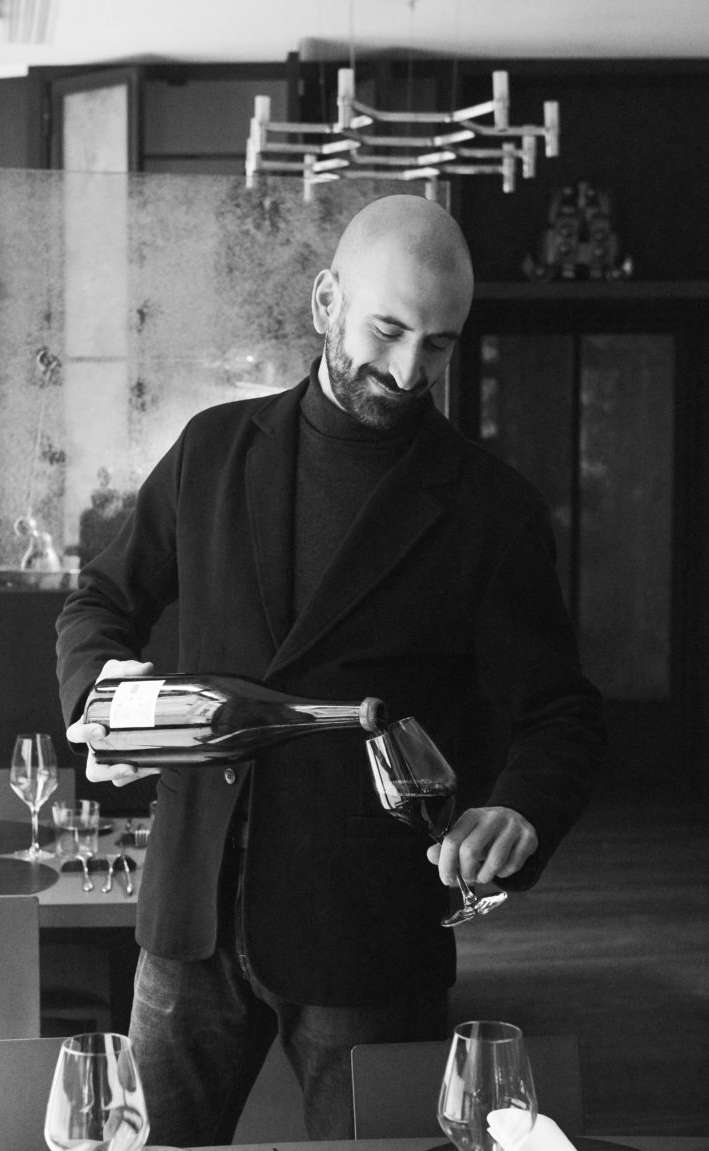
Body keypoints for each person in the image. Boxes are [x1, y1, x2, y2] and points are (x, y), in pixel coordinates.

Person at [56, 193, 606, 1146]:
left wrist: (519, 809)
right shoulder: (212, 450)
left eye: (437, 344)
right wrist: (104, 700)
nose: (408, 370)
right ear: (325, 302)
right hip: (189, 917)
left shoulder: (492, 508)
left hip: (369, 933)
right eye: (387, 330)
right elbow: (100, 601)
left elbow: (561, 712)